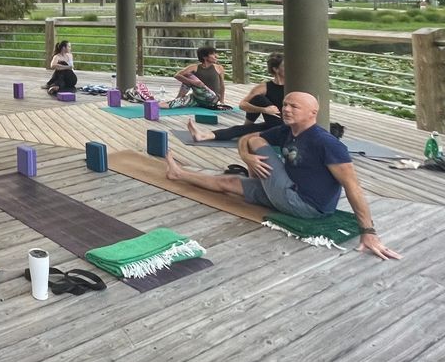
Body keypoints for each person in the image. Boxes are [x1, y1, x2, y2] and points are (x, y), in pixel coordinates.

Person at [165, 92, 399, 260]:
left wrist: (368, 232)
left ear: (312, 113)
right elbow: (246, 139)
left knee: (258, 142)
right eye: (285, 104)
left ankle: (185, 173)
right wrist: (246, 158)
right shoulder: (286, 130)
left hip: (306, 205)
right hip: (284, 192)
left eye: (294, 106)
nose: (286, 109)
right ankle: (178, 173)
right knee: (229, 182)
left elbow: (353, 187)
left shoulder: (326, 143)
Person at [188, 52, 285, 142]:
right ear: (275, 69)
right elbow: (243, 105)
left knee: (253, 118)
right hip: (276, 124)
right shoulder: (264, 87)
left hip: (289, 126)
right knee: (257, 100)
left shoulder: (294, 85)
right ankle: (203, 136)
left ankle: (246, 128)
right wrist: (264, 110)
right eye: (285, 66)